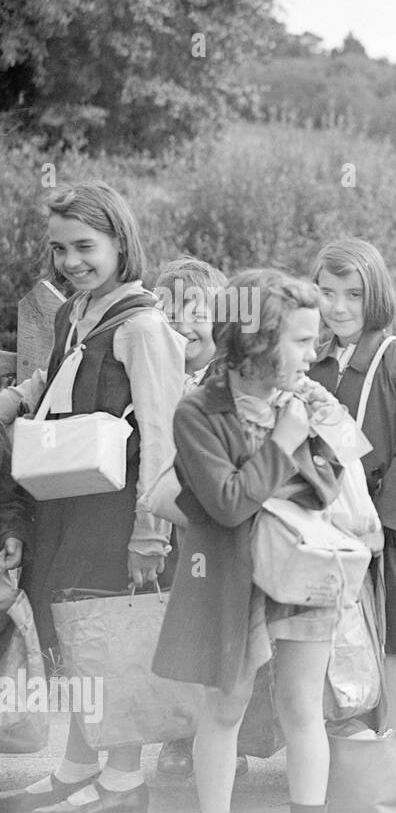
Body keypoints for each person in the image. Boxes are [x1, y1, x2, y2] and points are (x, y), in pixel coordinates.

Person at [151, 269, 359, 813]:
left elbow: (333, 483)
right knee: (224, 708)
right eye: (299, 340)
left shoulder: (310, 398)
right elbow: (228, 504)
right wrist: (287, 445)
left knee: (302, 708)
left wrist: (307, 441)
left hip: (301, 571)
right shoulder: (197, 411)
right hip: (230, 576)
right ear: (257, 340)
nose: (312, 353)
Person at [0, 182, 185, 813]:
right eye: (59, 249)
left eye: (85, 247)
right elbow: (59, 379)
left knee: (108, 640)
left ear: (119, 242)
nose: (71, 261)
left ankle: (123, 783)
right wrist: (21, 396)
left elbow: (162, 434)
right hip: (65, 501)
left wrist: (149, 531)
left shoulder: (143, 325)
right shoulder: (74, 310)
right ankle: (77, 769)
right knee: (75, 637)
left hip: (118, 510)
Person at [309, 238, 396, 734]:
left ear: (376, 296)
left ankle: (388, 767)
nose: (339, 307)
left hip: (393, 531)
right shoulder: (313, 361)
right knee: (341, 647)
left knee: (389, 649)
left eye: (353, 294)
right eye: (327, 293)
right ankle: (347, 768)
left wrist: (381, 524)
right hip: (335, 525)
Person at [148, 257, 251, 780]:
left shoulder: (225, 381)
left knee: (219, 637)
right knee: (173, 636)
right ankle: (179, 733)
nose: (182, 323)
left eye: (196, 311)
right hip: (156, 528)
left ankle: (224, 739)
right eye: (168, 311)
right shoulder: (150, 373)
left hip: (206, 527)